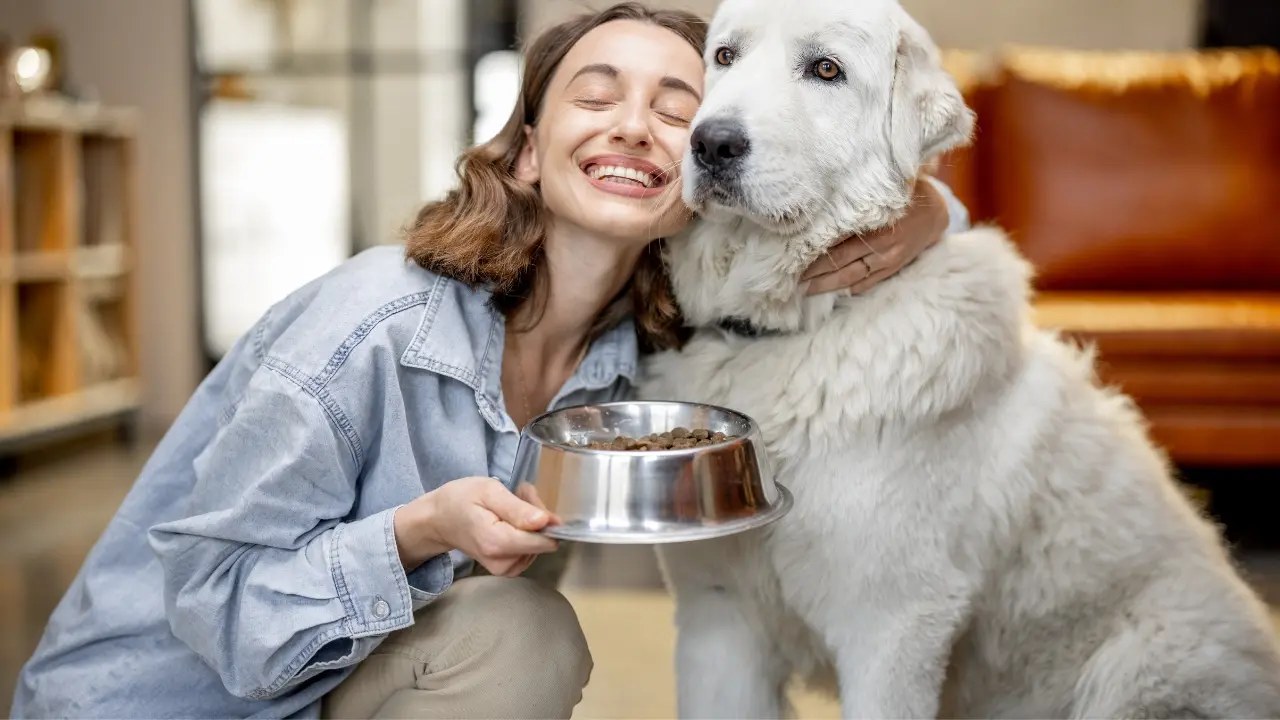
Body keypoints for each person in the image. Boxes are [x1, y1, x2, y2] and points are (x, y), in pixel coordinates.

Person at [11, 3, 970, 718]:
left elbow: (812, 252)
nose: (636, 126)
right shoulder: (372, 321)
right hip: (155, 702)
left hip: (326, 689)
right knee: (523, 634)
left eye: (678, 111)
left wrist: (927, 205)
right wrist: (418, 530)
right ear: (523, 155)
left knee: (518, 639)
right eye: (596, 97)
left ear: (701, 179)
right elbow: (212, 602)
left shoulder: (645, 357)